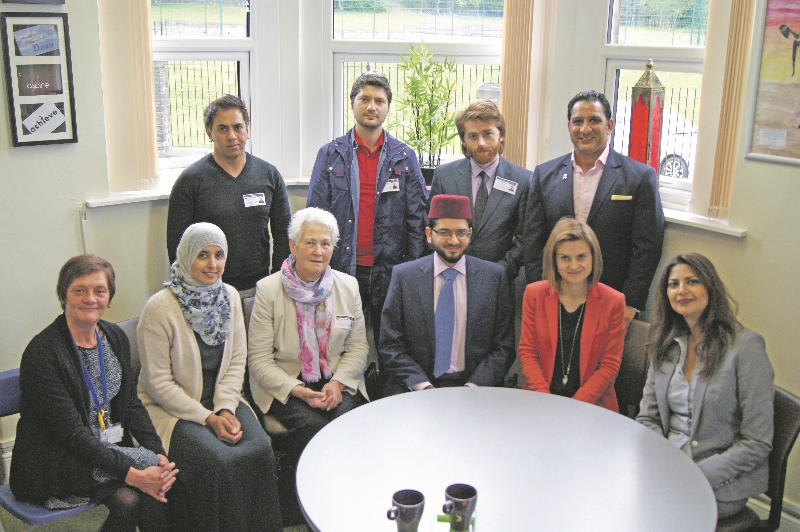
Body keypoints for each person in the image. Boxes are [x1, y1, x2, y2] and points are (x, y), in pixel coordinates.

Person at [10, 255, 177, 532]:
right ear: (63, 295)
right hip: (54, 460)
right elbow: (71, 435)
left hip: (101, 449)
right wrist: (132, 475)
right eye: (79, 290)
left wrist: (159, 454)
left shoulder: (114, 336)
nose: (90, 298)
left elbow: (131, 405)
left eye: (100, 291)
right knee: (130, 498)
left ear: (109, 297)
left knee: (160, 476)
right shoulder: (43, 353)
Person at [137, 223, 282, 531]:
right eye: (203, 255)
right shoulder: (159, 308)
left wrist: (226, 408)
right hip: (171, 410)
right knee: (219, 460)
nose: (213, 264)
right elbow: (158, 384)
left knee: (260, 449)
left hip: (221, 398)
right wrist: (208, 418)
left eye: (219, 255)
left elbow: (236, 362)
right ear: (186, 256)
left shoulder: (229, 297)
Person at [636, 253, 774, 520]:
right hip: (667, 468)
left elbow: (757, 441)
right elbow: (647, 417)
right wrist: (666, 463)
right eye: (673, 284)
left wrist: (691, 474)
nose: (681, 290)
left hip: (718, 481)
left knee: (651, 515)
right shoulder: (665, 343)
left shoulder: (746, 347)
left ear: (709, 287)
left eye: (692, 281)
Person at [307, 72, 428, 348]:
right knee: (338, 343)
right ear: (352, 103)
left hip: (390, 269)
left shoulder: (404, 156)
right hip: (341, 268)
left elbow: (416, 218)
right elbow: (314, 215)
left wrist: (413, 267)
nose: (372, 106)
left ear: (387, 107)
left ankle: (388, 392)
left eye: (379, 101)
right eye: (365, 99)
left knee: (391, 344)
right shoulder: (330, 154)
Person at [523, 90, 664, 324]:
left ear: (609, 125)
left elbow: (647, 247)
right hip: (556, 300)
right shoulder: (544, 175)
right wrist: (540, 291)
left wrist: (630, 302)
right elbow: (533, 240)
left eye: (594, 120)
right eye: (578, 121)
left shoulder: (639, 178)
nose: (585, 129)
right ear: (569, 126)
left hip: (612, 303)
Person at [248, 207, 369, 465]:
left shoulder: (348, 286)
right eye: (310, 243)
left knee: (347, 422)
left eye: (326, 244)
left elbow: (358, 348)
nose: (318, 251)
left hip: (338, 381)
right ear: (293, 246)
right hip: (288, 385)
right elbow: (259, 360)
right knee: (313, 429)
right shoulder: (268, 290)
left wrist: (337, 384)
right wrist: (299, 391)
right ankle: (303, 497)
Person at [380, 194, 515, 396]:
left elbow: (503, 347)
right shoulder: (404, 277)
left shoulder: (493, 278)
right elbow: (390, 343)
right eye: (444, 232)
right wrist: (423, 386)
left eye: (461, 232)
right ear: (428, 234)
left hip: (476, 390)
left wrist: (473, 388)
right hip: (416, 389)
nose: (453, 240)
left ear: (470, 234)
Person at [167, 94, 291, 298]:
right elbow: (178, 247)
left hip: (258, 288)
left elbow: (283, 234)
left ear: (247, 130)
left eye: (238, 127)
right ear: (209, 133)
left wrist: (275, 279)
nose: (232, 136)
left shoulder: (268, 175)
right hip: (208, 291)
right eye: (222, 129)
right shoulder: (190, 181)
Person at [517, 218, 625, 411]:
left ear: (593, 257)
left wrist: (574, 408)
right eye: (565, 258)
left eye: (581, 257)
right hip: (540, 400)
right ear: (554, 260)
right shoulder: (534, 294)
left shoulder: (613, 301)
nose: (574, 265)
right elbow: (527, 352)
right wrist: (546, 399)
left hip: (592, 406)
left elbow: (609, 366)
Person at [429, 99, 531, 282]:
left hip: (499, 280)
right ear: (464, 141)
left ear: (501, 135)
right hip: (450, 277)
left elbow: (524, 238)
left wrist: (498, 272)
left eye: (488, 134)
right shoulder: (445, 176)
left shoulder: (523, 180)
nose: (481, 143)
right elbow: (432, 227)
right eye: (473, 136)